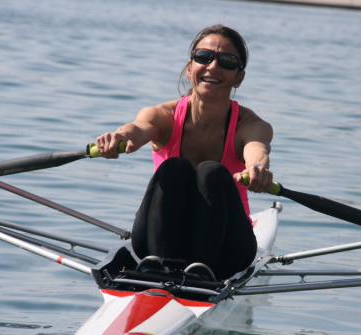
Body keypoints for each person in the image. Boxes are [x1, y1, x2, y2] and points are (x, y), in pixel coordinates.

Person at [96, 24, 273, 280]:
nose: (213, 66)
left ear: (239, 76)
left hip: (226, 249)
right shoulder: (162, 116)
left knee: (210, 172)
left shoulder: (251, 125)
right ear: (190, 67)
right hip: (154, 244)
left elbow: (257, 149)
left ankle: (202, 271)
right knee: (175, 167)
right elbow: (137, 128)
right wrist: (120, 137)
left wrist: (258, 168)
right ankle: (155, 265)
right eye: (204, 57)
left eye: (227, 61)